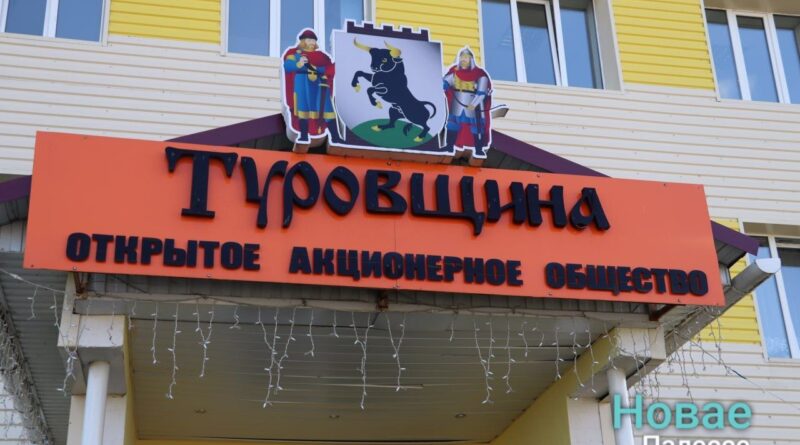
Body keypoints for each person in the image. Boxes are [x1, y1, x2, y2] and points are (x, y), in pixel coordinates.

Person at [282, 29, 342, 144]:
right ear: (303, 41)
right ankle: (304, 135)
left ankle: (335, 137)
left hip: (320, 85)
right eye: (309, 40)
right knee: (303, 108)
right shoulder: (294, 54)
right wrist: (299, 63)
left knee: (326, 109)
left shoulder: (322, 56)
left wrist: (317, 68)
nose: (312, 43)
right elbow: (288, 66)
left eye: (313, 40)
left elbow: (331, 69)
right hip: (302, 83)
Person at [443, 47, 492, 157]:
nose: (463, 59)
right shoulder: (455, 71)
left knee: (477, 127)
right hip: (457, 103)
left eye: (466, 57)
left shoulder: (479, 74)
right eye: (461, 57)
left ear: (471, 59)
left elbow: (482, 93)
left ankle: (478, 149)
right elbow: (446, 81)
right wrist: (444, 84)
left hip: (473, 103)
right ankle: (449, 146)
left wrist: (473, 104)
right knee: (452, 125)